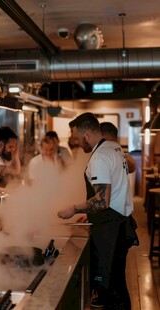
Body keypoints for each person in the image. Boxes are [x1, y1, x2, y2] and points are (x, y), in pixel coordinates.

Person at [57, 112, 138, 310]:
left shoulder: (99, 157)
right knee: (118, 285)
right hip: (120, 224)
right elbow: (116, 191)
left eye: (76, 137)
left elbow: (102, 200)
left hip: (110, 232)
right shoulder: (114, 148)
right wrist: (90, 212)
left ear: (86, 135)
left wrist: (74, 208)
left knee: (110, 290)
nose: (75, 142)